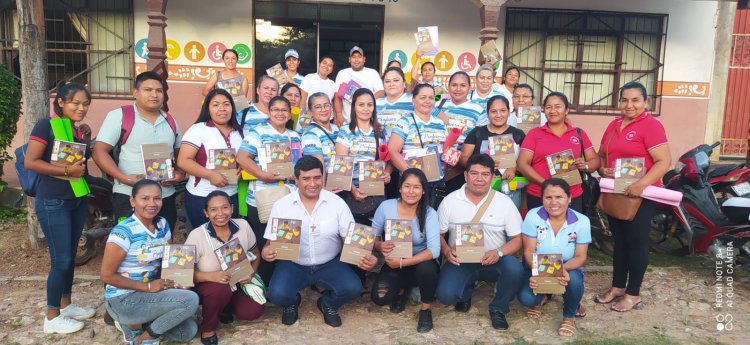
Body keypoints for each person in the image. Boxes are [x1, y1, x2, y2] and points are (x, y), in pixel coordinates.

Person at [262, 156, 378, 327]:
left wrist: (369, 256)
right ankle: (292, 303)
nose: (312, 183)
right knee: (277, 293)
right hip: (293, 264)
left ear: (323, 177)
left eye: (317, 178)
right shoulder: (282, 205)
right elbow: (269, 245)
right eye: (306, 179)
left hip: (329, 263)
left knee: (353, 287)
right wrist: (266, 253)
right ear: (296, 180)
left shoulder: (337, 203)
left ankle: (328, 304)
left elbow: (350, 238)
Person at [594, 81, 671, 312]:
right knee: (620, 242)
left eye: (635, 100)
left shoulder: (651, 126)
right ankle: (618, 286)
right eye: (624, 100)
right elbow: (601, 155)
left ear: (645, 102)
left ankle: (633, 293)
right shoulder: (614, 124)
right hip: (618, 192)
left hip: (641, 195)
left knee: (636, 243)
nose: (629, 105)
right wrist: (603, 169)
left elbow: (664, 161)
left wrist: (641, 184)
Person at [25, 82, 95, 334]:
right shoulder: (47, 125)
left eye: (86, 104)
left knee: (70, 256)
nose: (81, 108)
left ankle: (66, 305)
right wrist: (67, 170)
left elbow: (78, 161)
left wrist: (85, 139)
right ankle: (52, 316)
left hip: (76, 198)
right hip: (54, 200)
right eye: (76, 103)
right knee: (61, 259)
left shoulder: (74, 130)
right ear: (61, 103)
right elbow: (31, 161)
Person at [101, 180, 199, 344]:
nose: (152, 204)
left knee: (187, 331)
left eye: (157, 198)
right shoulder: (123, 232)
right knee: (190, 300)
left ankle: (135, 324)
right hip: (124, 298)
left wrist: (180, 280)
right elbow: (106, 276)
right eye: (145, 199)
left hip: (150, 294)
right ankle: (143, 338)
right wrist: (147, 287)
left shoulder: (162, 224)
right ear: (133, 201)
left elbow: (167, 260)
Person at [436, 154, 524, 331]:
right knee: (446, 296)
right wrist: (446, 251)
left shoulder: (504, 203)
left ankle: (498, 308)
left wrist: (498, 253)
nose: (479, 179)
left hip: (493, 259)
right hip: (460, 261)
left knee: (514, 269)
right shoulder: (450, 201)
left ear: (492, 177)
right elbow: (438, 234)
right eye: (474, 173)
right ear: (465, 175)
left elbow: (518, 240)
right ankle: (465, 291)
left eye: (485, 174)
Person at [93, 71, 184, 231]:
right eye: (148, 90)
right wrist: (123, 178)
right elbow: (99, 152)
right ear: (135, 92)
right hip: (129, 195)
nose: (154, 95)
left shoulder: (170, 120)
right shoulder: (120, 116)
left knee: (163, 243)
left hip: (164, 196)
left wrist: (180, 174)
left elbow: (181, 155)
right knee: (131, 245)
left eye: (159, 91)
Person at [184, 191, 264, 345]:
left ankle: (223, 307)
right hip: (209, 285)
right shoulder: (197, 235)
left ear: (232, 208)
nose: (220, 213)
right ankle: (208, 328)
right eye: (213, 210)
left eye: (225, 207)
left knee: (252, 312)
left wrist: (251, 273)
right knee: (219, 289)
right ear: (206, 213)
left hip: (238, 281)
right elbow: (184, 273)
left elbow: (255, 253)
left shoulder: (243, 225)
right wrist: (210, 276)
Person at [236, 96, 301, 282]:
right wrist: (262, 175)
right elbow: (242, 157)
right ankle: (265, 283)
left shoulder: (294, 136)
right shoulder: (258, 132)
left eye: (284, 110)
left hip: (288, 196)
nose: (280, 113)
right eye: (276, 109)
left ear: (289, 114)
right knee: (264, 242)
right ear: (269, 112)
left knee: (286, 240)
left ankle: (283, 282)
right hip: (262, 197)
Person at [517, 178, 590, 337]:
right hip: (538, 264)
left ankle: (569, 315)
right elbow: (528, 252)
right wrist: (539, 272)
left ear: (569, 199)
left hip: (567, 264)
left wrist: (561, 269)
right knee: (526, 299)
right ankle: (543, 295)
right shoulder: (533, 216)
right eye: (548, 197)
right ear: (542, 198)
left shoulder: (582, 221)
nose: (553, 202)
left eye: (559, 197)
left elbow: (580, 257)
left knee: (574, 280)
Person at [371, 169, 439, 333]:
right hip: (395, 260)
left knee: (428, 270)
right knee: (380, 298)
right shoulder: (386, 206)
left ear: (423, 191)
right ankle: (403, 291)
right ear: (400, 188)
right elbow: (372, 236)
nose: (411, 191)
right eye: (407, 186)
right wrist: (379, 246)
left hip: (421, 262)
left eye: (416, 187)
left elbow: (434, 250)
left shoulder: (429, 213)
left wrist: (402, 263)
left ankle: (425, 309)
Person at [516, 92, 600, 212]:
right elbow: (522, 164)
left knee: (570, 230)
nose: (553, 111)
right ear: (544, 110)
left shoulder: (578, 133)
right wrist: (546, 183)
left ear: (566, 110)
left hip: (572, 196)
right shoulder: (534, 134)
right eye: (548, 107)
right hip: (540, 195)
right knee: (541, 230)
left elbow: (595, 161)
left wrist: (585, 165)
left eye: (558, 106)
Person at [177, 89, 243, 230]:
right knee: (205, 239)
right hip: (201, 196)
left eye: (226, 104)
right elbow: (183, 161)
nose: (222, 109)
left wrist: (241, 171)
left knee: (228, 239)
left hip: (231, 195)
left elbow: (244, 160)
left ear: (232, 107)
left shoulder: (240, 132)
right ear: (208, 108)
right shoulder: (198, 129)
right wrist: (210, 175)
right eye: (216, 105)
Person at [335, 88, 392, 224]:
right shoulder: (345, 131)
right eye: (361, 105)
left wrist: (387, 174)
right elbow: (341, 165)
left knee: (375, 233)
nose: (366, 109)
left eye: (369, 104)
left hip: (375, 188)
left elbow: (390, 159)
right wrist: (354, 190)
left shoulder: (383, 131)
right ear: (354, 107)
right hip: (351, 188)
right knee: (355, 235)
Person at [388, 84, 447, 207]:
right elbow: (393, 151)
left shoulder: (440, 123)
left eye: (431, 98)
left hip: (436, 183)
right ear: (413, 100)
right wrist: (413, 176)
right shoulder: (405, 122)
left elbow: (445, 149)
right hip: (412, 184)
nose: (427, 101)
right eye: (423, 97)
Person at [460, 95, 525, 208]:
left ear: (509, 112)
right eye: (494, 111)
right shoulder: (477, 132)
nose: (498, 115)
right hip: (480, 186)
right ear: (488, 113)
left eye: (503, 111)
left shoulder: (518, 134)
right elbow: (464, 158)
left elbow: (526, 161)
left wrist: (514, 168)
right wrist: (483, 166)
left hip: (509, 187)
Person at [440, 71, 487, 194]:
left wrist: (462, 158)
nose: (458, 89)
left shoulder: (478, 110)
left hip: (460, 166)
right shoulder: (438, 106)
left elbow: (481, 140)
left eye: (463, 85)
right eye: (454, 85)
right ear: (448, 87)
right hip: (438, 161)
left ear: (469, 88)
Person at [333, 46, 385, 127]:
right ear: (349, 59)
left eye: (359, 57)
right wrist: (339, 115)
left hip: (368, 120)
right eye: (353, 57)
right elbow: (337, 96)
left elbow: (381, 93)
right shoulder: (342, 73)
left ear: (364, 59)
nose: (356, 60)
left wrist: (363, 100)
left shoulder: (372, 73)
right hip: (347, 120)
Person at [301, 93, 339, 167]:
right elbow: (318, 167)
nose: (323, 109)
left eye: (326, 105)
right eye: (318, 107)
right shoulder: (310, 135)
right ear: (310, 112)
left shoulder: (337, 129)